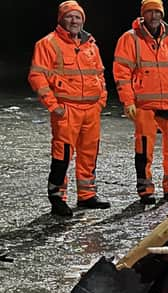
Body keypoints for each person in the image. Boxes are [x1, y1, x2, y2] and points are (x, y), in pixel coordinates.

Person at [28, 1, 110, 217]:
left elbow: (100, 74)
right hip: (66, 110)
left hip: (91, 110)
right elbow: (37, 76)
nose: (74, 21)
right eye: (69, 17)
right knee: (62, 155)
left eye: (78, 17)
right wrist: (53, 106)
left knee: (89, 153)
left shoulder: (91, 45)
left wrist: (101, 100)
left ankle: (87, 195)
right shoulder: (48, 44)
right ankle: (57, 198)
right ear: (61, 19)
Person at [113, 0, 168, 205]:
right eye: (150, 12)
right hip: (144, 104)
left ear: (162, 14)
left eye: (157, 12)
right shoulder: (130, 39)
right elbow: (122, 73)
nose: (154, 16)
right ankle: (145, 189)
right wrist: (128, 100)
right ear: (143, 14)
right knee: (144, 148)